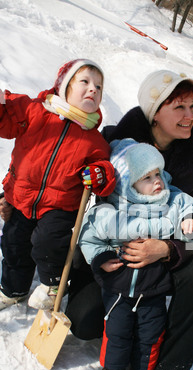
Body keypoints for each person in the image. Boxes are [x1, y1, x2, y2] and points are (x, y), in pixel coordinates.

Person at [66, 69, 193, 370]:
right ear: (155, 111)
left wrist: (168, 249)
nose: (190, 116)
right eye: (179, 107)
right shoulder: (116, 142)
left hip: (162, 253)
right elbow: (67, 177)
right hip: (116, 247)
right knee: (83, 320)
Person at [78, 138, 193, 370]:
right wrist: (100, 258)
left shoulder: (171, 201)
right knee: (117, 329)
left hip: (154, 286)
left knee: (151, 331)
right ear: (128, 183)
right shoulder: (111, 211)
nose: (157, 181)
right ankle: (112, 368)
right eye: (146, 177)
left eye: (157, 173)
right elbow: (88, 238)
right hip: (119, 286)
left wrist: (192, 221)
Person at [0, 59, 116, 311]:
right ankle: (14, 288)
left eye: (98, 86)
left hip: (60, 207)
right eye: (84, 81)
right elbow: (5, 120)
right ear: (64, 86)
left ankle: (52, 285)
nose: (93, 89)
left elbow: (104, 169)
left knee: (48, 243)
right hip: (21, 195)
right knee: (13, 243)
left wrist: (98, 174)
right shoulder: (34, 110)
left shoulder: (93, 138)